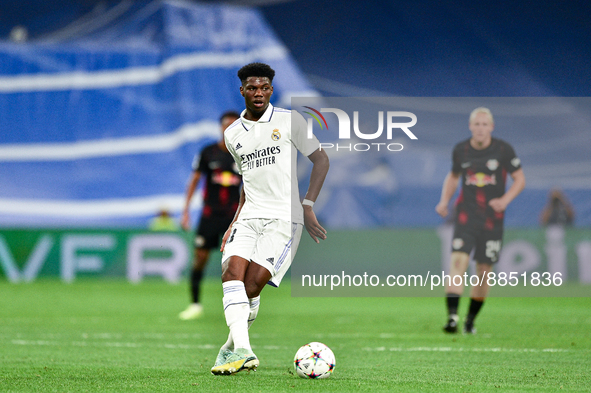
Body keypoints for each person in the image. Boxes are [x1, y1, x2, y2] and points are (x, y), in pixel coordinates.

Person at [210, 62, 329, 375]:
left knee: (250, 288)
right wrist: (233, 222)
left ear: (271, 90)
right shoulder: (233, 133)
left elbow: (321, 159)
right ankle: (245, 351)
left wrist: (307, 204)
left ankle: (229, 348)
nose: (258, 93)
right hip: (248, 217)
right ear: (243, 91)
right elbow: (245, 185)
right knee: (231, 275)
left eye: (264, 87)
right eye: (252, 88)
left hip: (284, 219)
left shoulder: (291, 121)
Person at [435, 107, 525, 334]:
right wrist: (444, 200)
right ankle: (452, 318)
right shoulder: (461, 150)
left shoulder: (503, 150)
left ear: (491, 127)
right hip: (466, 217)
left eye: (485, 124)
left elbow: (520, 179)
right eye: (477, 124)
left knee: (483, 272)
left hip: (492, 221)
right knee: (458, 264)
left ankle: (470, 320)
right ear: (470, 126)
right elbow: (454, 176)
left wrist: (505, 200)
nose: (481, 128)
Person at [178, 111, 242, 320]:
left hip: (233, 218)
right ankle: (195, 304)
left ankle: (236, 307)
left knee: (234, 264)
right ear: (221, 128)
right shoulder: (208, 152)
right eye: (227, 126)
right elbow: (194, 181)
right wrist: (186, 211)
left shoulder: (244, 154)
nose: (230, 130)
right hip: (209, 216)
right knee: (200, 259)